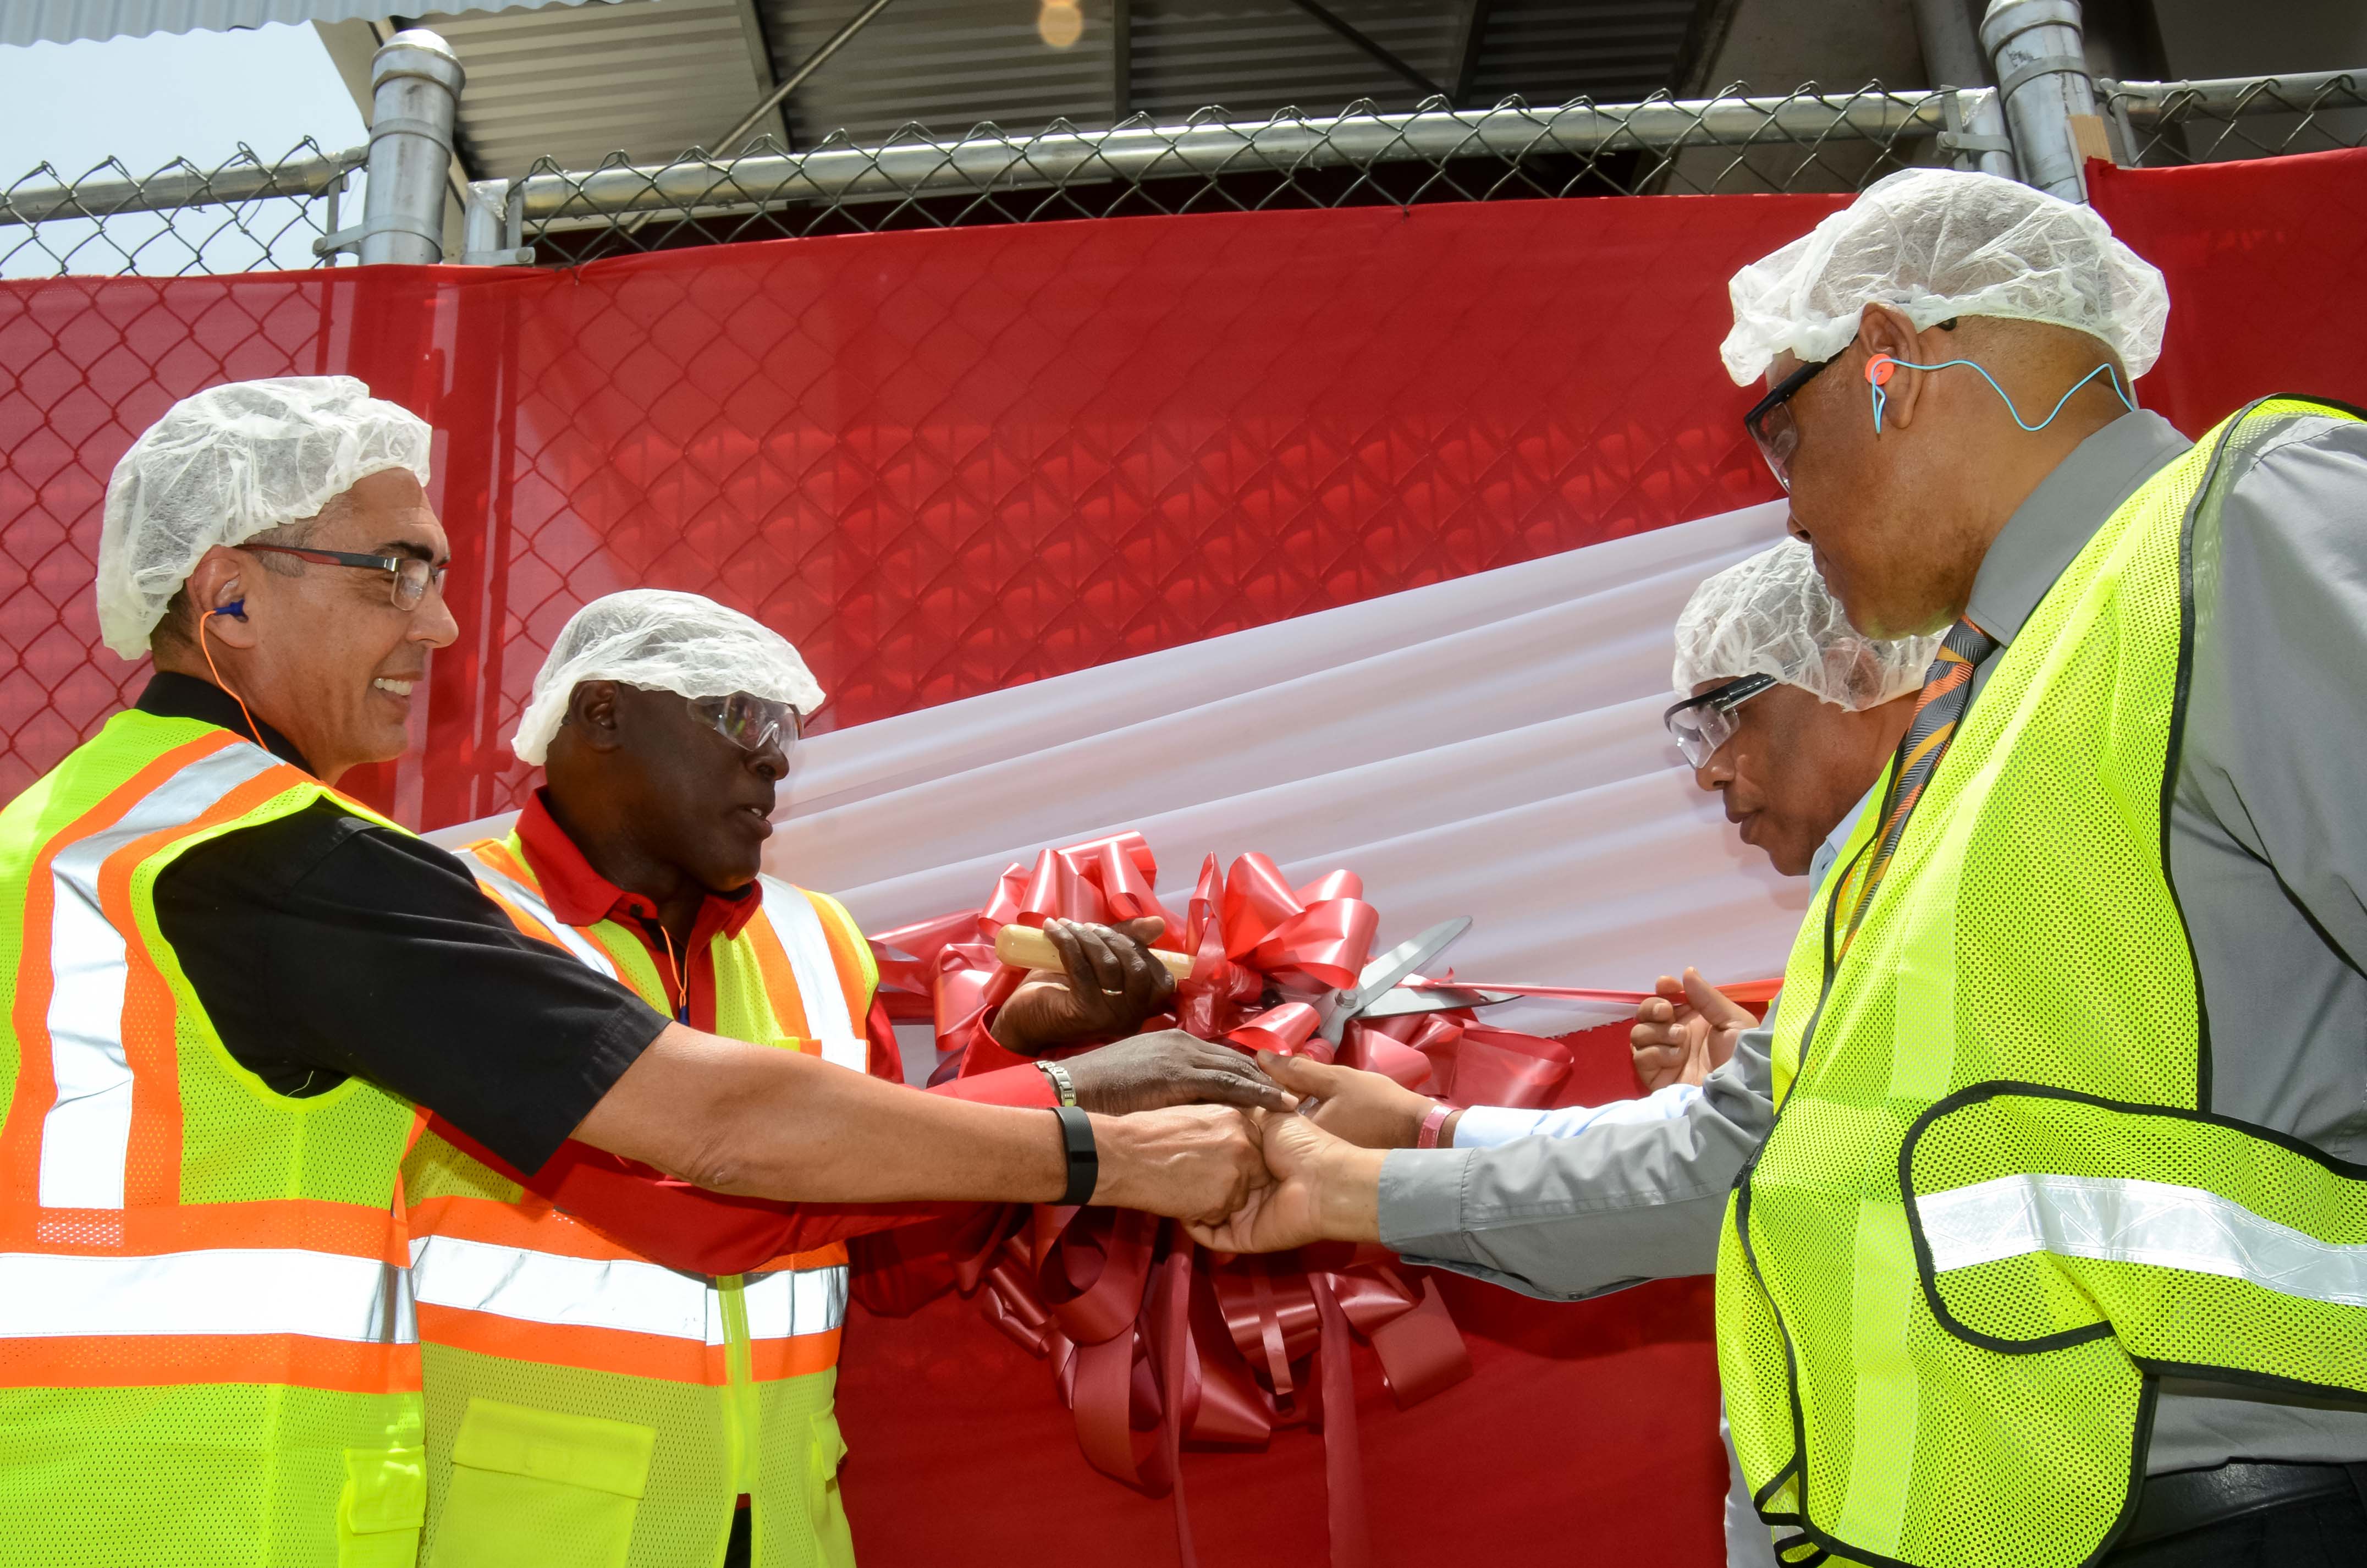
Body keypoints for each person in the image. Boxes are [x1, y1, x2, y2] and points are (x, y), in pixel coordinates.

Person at [1202, 168, 2367, 1567]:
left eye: (1780, 430)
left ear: (1893, 360)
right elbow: (1768, 1155)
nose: (1789, 508)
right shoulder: (1970, 742)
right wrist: (1368, 1181)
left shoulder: (2239, 525)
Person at [0, 377, 1268, 1566]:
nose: (438, 624)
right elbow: (705, 1151)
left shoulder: (61, 834)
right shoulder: (284, 861)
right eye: (396, 572)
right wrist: (1095, 1128)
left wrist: (1023, 1066)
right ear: (225, 595)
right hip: (198, 1514)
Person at [403, 588, 1282, 1567]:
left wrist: (1030, 1050)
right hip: (528, 1540)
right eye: (739, 715)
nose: (775, 756)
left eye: (785, 728)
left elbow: (898, 1251)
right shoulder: (456, 926)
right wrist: (1084, 1096)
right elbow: (707, 1203)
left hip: (789, 1532)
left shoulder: (819, 939)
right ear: (604, 712)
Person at [1262, 536, 1929, 1567]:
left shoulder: (1917, 895)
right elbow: (1782, 1154)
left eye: (1730, 712)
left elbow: (1728, 1174)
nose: (1709, 766)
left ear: (1857, 673)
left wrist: (1359, 1181)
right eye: (1692, 729)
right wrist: (1426, 1123)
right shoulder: (1874, 892)